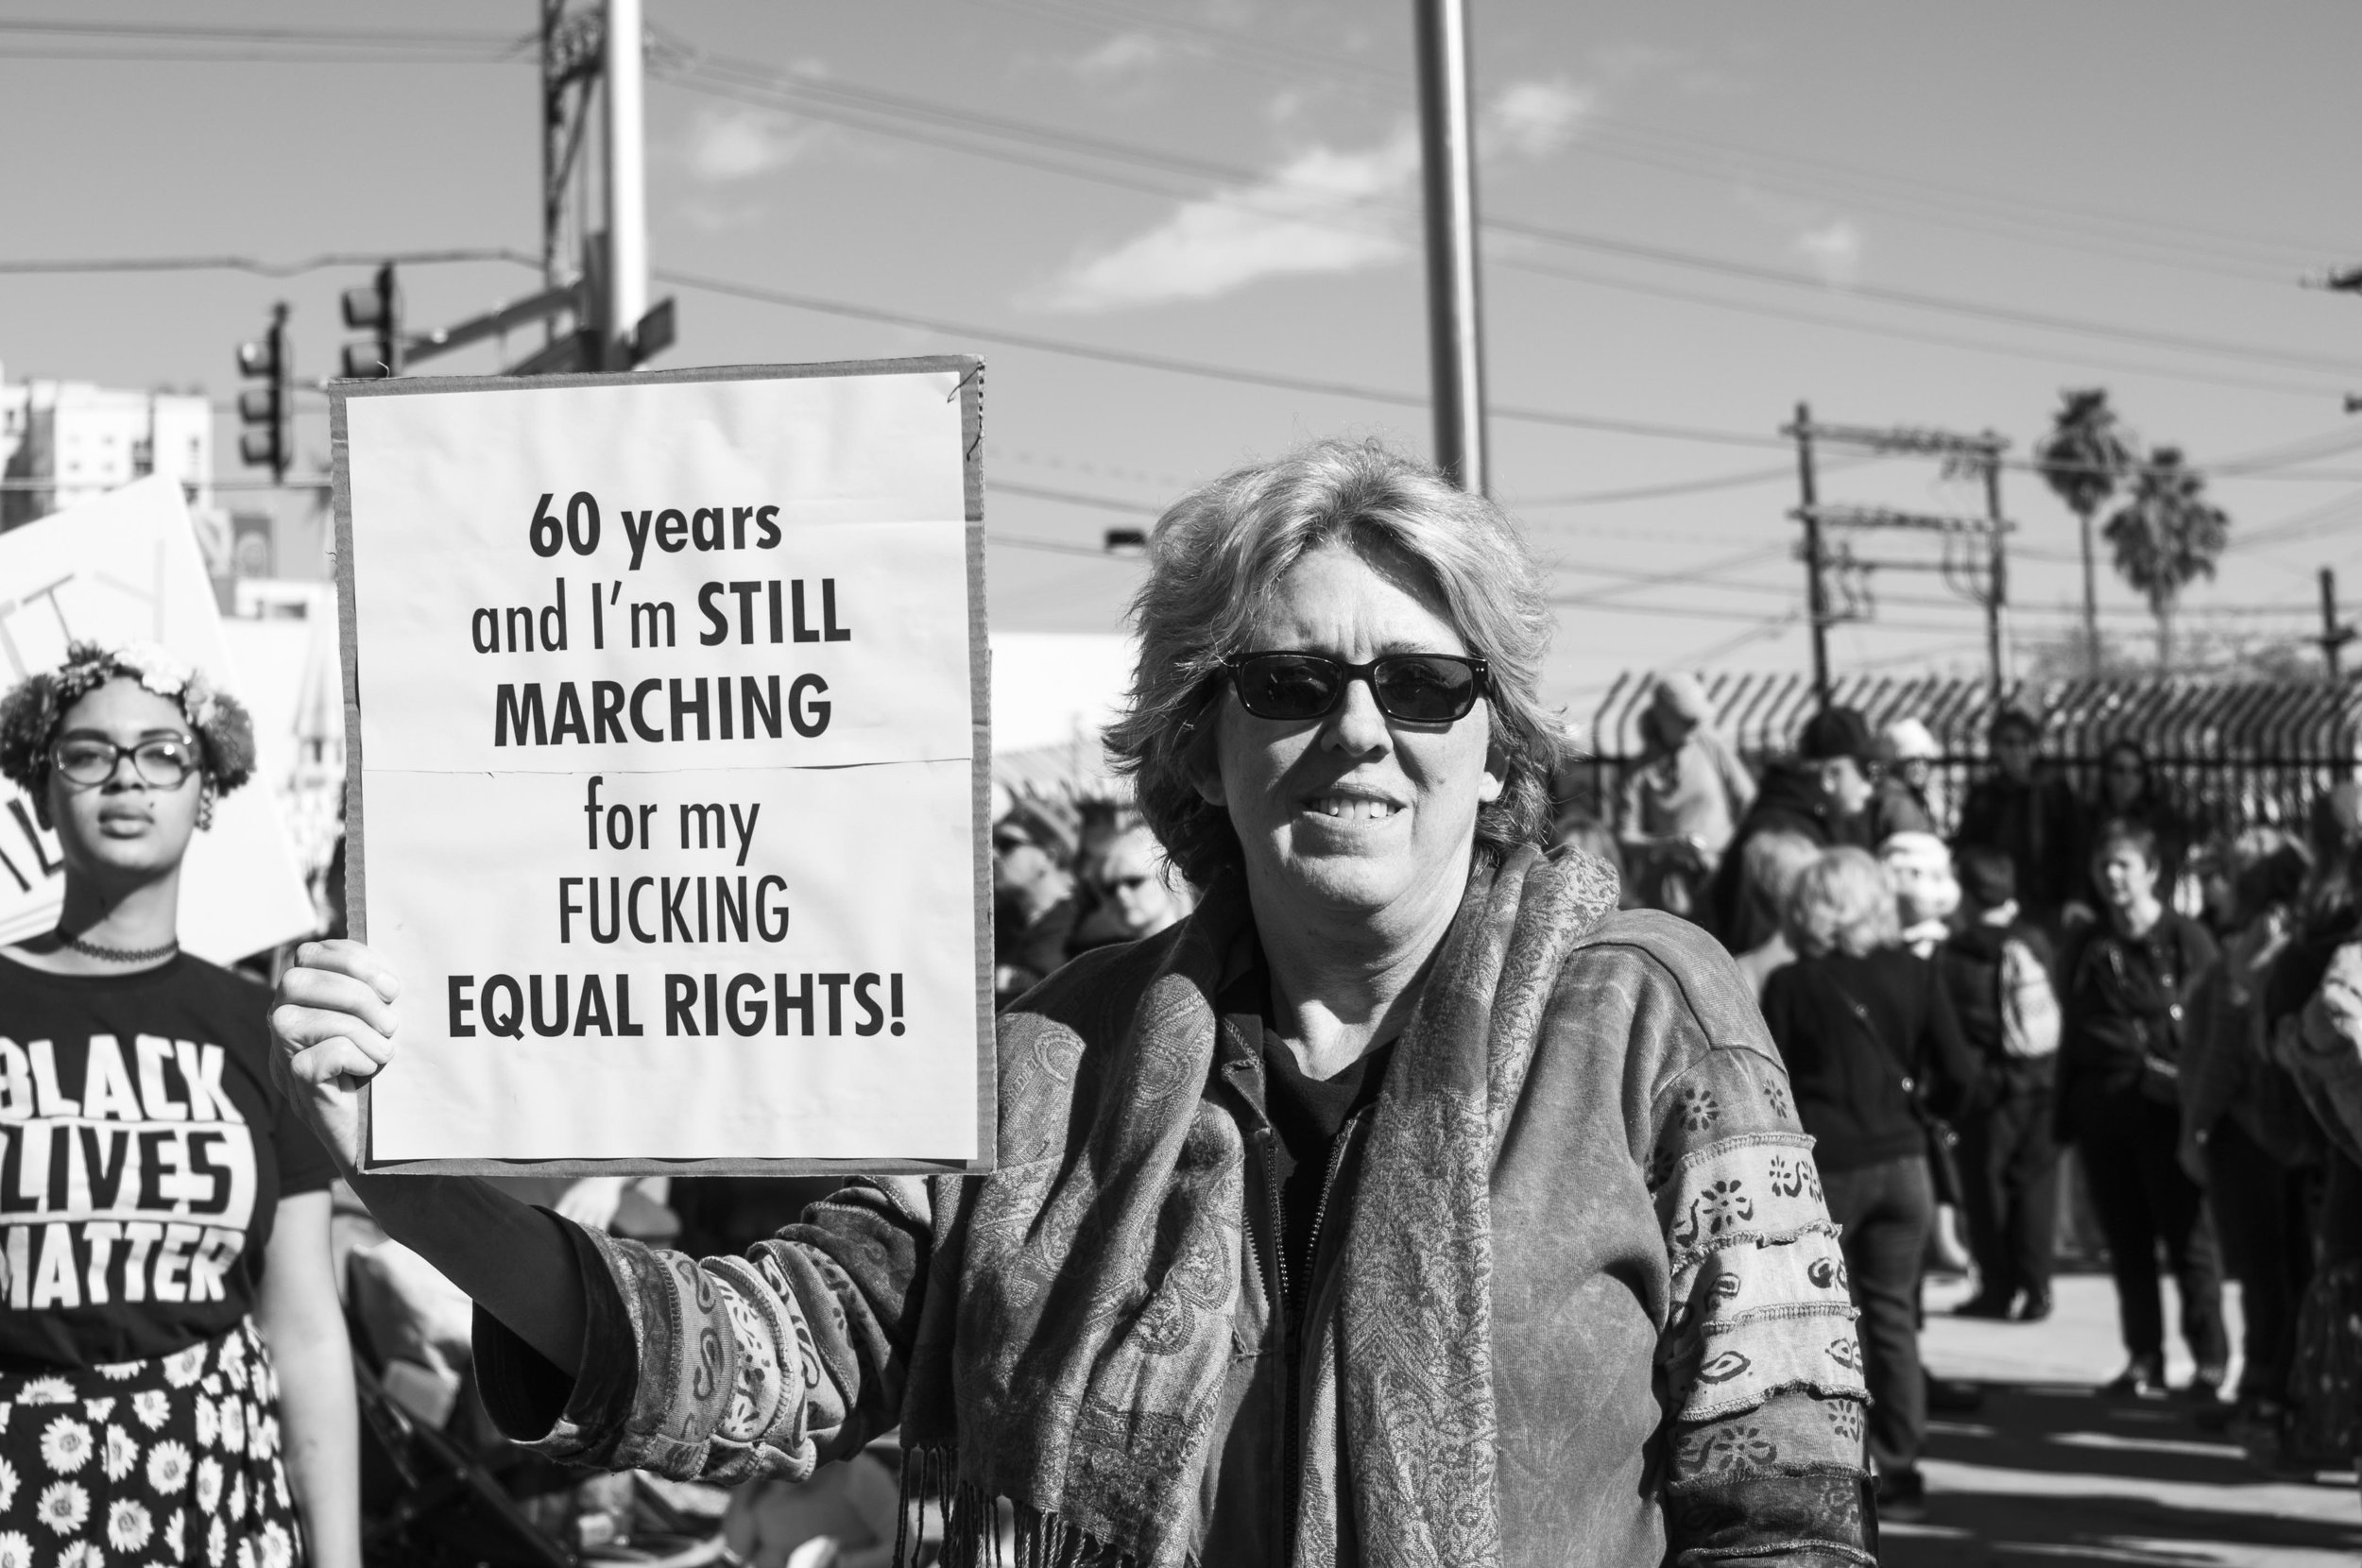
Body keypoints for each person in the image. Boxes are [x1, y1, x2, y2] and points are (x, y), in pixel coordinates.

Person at [269, 438, 1874, 1565]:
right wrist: (415, 1179)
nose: (1361, 731)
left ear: (1498, 739)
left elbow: (1782, 1512)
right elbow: (770, 1359)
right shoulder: (1048, 1059)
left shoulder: (1651, 1015)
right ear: (1202, 741)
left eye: (1426, 684)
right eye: (1291, 683)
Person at [0, 641, 358, 1568]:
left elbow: (306, 1328)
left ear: (206, 791)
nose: (127, 777)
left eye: (161, 752)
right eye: (87, 753)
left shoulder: (258, 1029)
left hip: (213, 1491)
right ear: (42, 790)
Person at [1758, 847, 1980, 1517]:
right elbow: (1962, 1073)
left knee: (1824, 1328)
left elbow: (1773, 1084)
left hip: (1829, 1170)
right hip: (1906, 1166)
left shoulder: (1794, 984)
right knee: (1894, 1319)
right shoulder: (1915, 973)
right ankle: (1904, 1467)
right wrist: (1928, 1115)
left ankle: (1838, 1466)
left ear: (1811, 909)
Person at [2058, 819, 2228, 1400]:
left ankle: (2209, 1361)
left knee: (2188, 1241)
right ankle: (2143, 1358)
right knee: (2126, 1240)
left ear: (2152, 871)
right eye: (2104, 864)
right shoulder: (2087, 944)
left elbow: (2212, 1024)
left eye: (2124, 864)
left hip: (2168, 1108)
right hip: (2104, 1109)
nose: (2112, 876)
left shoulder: (2187, 938)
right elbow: (2072, 1025)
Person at [2178, 835, 2319, 1440]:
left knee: (2266, 1271)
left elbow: (2225, 1052)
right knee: (2287, 1266)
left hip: (2253, 1128)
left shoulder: (2256, 943)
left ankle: (2266, 1388)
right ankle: (2279, 1387)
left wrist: (2196, 1126)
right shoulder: (2295, 932)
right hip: (2286, 1129)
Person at [1939, 846, 2062, 1322]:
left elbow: (1954, 1025)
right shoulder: (2036, 940)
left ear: (1967, 894)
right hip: (2041, 1081)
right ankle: (2038, 1289)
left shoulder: (1958, 951)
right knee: (2035, 1187)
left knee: (1985, 1190)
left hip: (1989, 1090)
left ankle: (1997, 1290)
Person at [1704, 704, 1874, 955]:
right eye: (1863, 769)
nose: (1869, 784)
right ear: (1830, 776)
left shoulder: (1809, 818)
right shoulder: (1782, 833)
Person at [1616, 673, 1754, 919]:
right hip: (1670, 893)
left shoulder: (1711, 747)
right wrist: (1668, 844)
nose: (1696, 725)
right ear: (1662, 717)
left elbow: (1749, 802)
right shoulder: (1638, 772)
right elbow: (1625, 836)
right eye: (1687, 719)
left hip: (1722, 877)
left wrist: (1731, 854)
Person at [1955, 707, 2089, 937]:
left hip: (2049, 899)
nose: (2017, 751)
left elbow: (2076, 846)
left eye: (2024, 742)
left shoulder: (2053, 791)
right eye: (2009, 743)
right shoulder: (1984, 796)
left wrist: (2075, 897)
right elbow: (1969, 851)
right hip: (1999, 900)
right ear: (1996, 747)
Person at [990, 798, 1079, 1005]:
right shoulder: (1001, 920)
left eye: (1007, 844)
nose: (993, 854)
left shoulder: (1081, 931)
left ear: (1048, 857)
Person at [2084, 740, 2190, 914]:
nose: (2128, 778)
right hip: (2096, 912)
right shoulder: (2088, 818)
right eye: (2120, 770)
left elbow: (2166, 871)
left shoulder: (2161, 820)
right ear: (2106, 775)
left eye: (2137, 771)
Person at [1066, 817, 1191, 955]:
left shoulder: (1206, 940)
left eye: (1133, 882)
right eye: (1110, 888)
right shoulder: (1109, 961)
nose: (1121, 894)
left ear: (1167, 877)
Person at [1872, 719, 1942, 841]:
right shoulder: (1897, 800)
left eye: (1924, 760)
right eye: (1912, 760)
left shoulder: (1907, 795)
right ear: (1896, 763)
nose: (1919, 767)